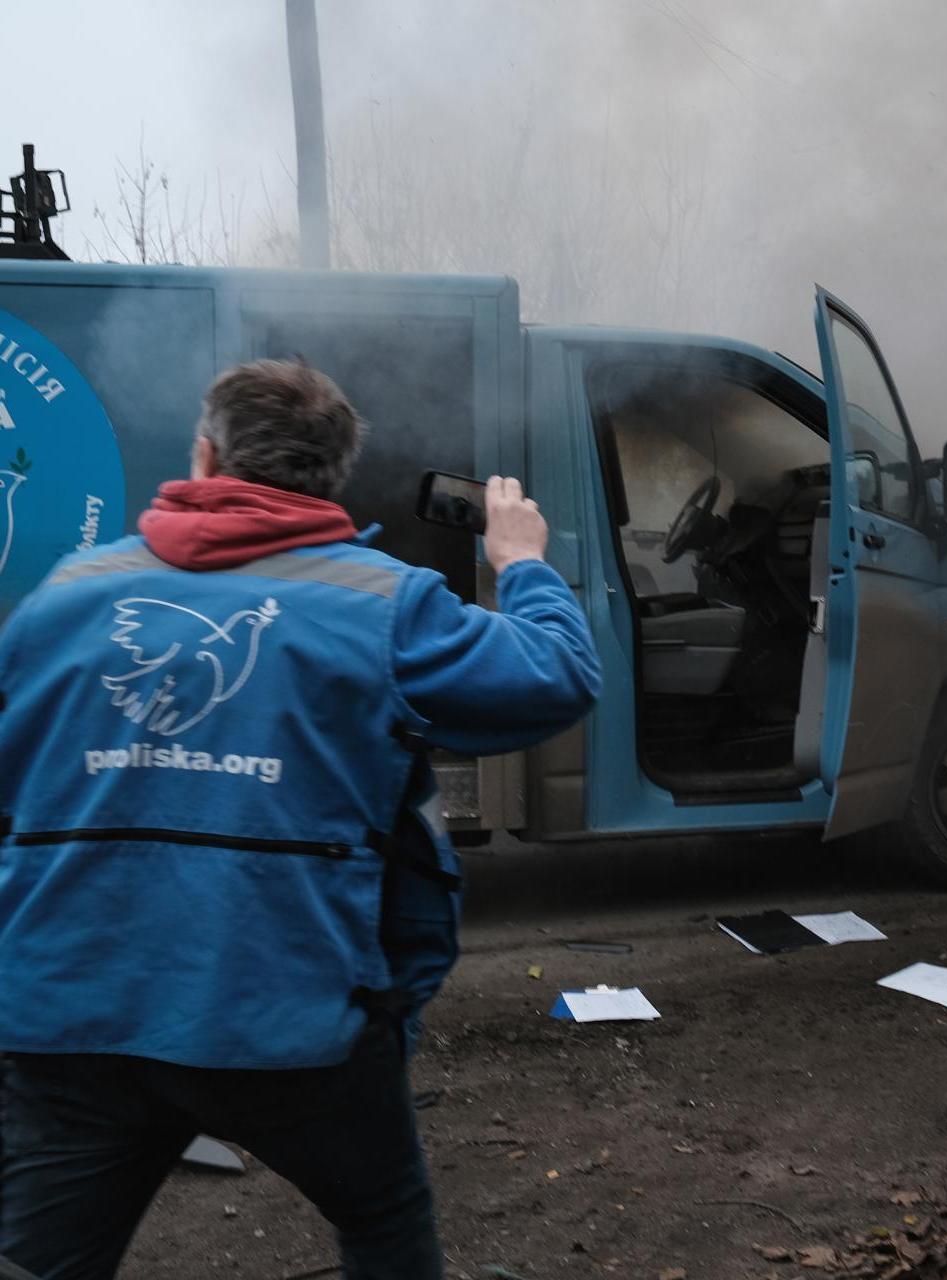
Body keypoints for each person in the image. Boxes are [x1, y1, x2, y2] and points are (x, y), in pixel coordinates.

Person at [0, 359, 601, 1280]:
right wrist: (520, 562)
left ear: (204, 455)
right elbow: (558, 675)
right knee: (383, 1217)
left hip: (69, 1008)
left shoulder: (66, 595)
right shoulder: (383, 605)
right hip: (284, 1014)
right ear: (332, 475)